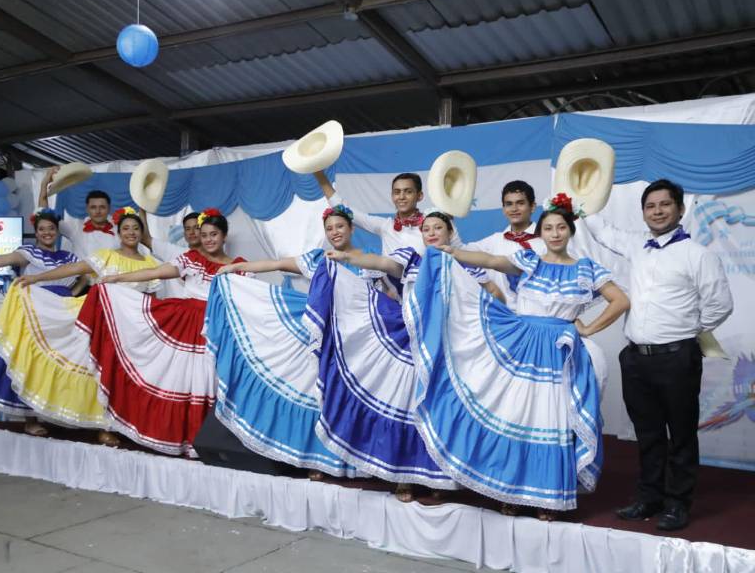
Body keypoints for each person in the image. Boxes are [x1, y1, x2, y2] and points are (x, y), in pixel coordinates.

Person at [407, 193, 629, 519]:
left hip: (558, 351)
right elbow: (493, 262)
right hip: (523, 343)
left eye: (560, 227)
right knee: (517, 415)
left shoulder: (586, 269)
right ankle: (510, 491)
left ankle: (547, 497)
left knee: (550, 420)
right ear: (541, 233)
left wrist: (588, 329)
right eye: (548, 228)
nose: (554, 233)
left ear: (570, 231)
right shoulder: (530, 260)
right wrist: (452, 251)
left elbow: (620, 301)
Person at [322, 211, 504, 501]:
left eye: (437, 228)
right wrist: (349, 259)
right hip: (412, 346)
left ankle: (442, 478)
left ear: (449, 231)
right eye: (426, 228)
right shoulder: (410, 259)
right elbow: (382, 263)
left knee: (439, 412)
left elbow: (493, 290)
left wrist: (497, 319)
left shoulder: (465, 264)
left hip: (449, 349)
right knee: (407, 410)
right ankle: (403, 476)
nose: (431, 233)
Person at [585, 179, 733, 531]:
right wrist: (578, 200)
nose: (657, 211)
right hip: (636, 358)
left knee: (680, 434)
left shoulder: (697, 254)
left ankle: (678, 503)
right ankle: (648, 496)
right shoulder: (637, 246)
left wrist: (683, 330)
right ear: (644, 212)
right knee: (648, 434)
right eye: (650, 206)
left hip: (677, 357)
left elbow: (720, 305)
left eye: (665, 204)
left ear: (680, 209)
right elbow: (603, 231)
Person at [209, 204, 387, 481]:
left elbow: (386, 301)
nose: (335, 232)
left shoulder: (370, 262)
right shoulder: (320, 259)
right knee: (322, 397)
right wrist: (239, 266)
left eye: (340, 226)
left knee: (354, 400)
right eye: (329, 228)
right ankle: (321, 460)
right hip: (325, 339)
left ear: (351, 228)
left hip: (358, 346)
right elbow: (277, 264)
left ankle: (359, 463)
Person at [80, 208, 245, 455]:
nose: (209, 239)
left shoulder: (238, 266)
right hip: (183, 325)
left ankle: (200, 441)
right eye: (205, 234)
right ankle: (175, 436)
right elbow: (155, 272)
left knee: (206, 383)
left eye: (214, 234)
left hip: (215, 330)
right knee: (178, 379)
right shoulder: (191, 259)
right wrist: (117, 279)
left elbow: (248, 299)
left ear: (224, 236)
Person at [0, 207, 160, 447]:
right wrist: (36, 278)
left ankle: (125, 424)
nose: (131, 232)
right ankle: (103, 427)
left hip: (133, 327)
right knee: (101, 374)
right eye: (126, 228)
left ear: (141, 232)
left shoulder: (151, 262)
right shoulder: (106, 256)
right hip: (104, 321)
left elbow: (153, 299)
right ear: (119, 232)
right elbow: (72, 270)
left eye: (136, 228)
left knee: (126, 377)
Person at [0, 208, 83, 436]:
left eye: (51, 229)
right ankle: (30, 418)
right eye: (42, 229)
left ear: (57, 232)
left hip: (63, 317)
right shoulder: (29, 253)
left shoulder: (69, 257)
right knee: (31, 363)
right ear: (36, 232)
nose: (47, 233)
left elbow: (85, 277)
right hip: (35, 314)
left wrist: (72, 293)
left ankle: (58, 412)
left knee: (61, 362)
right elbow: (2, 259)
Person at [464, 180, 545, 312]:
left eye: (520, 203)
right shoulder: (494, 242)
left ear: (533, 206)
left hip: (540, 317)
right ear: (503, 209)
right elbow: (461, 251)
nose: (514, 209)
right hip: (504, 318)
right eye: (509, 204)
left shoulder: (547, 240)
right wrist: (448, 218)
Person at [313, 171, 426, 255]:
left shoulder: (431, 226)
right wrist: (318, 173)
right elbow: (342, 208)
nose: (401, 197)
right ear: (392, 196)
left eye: (408, 192)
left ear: (419, 196)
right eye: (397, 192)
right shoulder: (385, 226)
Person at [39, 167, 118, 260]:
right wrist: (44, 185)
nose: (98, 211)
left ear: (109, 209)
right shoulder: (76, 228)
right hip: (81, 274)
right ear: (87, 209)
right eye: (93, 207)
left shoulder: (120, 230)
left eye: (102, 207)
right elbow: (45, 217)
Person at [139, 209, 201, 298]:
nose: (192, 232)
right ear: (184, 233)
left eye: (196, 227)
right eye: (188, 229)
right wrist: (142, 209)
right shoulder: (174, 252)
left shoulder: (212, 257)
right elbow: (145, 239)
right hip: (175, 308)